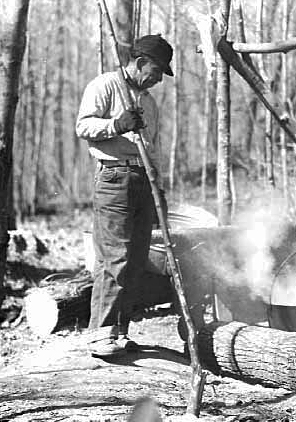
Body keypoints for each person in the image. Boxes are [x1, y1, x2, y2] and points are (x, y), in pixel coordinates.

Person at [76, 34, 173, 358]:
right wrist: (116, 124)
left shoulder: (148, 101)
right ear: (140, 62)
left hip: (143, 178)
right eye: (157, 71)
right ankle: (100, 333)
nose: (158, 79)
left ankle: (119, 331)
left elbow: (152, 145)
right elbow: (83, 126)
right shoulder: (105, 85)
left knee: (136, 257)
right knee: (114, 255)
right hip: (115, 176)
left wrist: (158, 183)